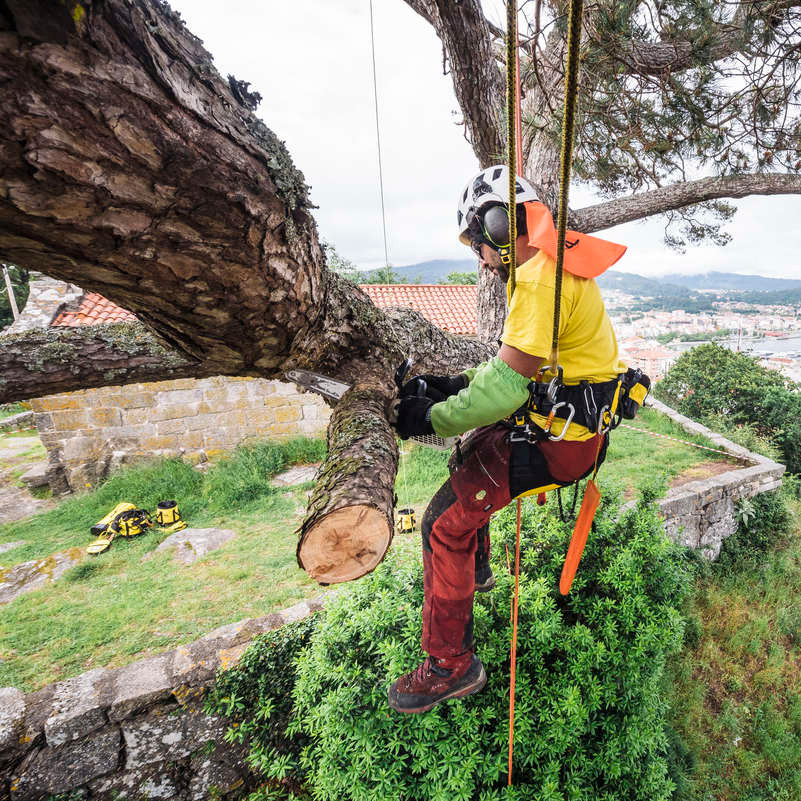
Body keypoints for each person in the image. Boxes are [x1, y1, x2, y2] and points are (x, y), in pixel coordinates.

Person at [387, 165, 629, 714]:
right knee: (474, 458)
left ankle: (450, 663)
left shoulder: (540, 277)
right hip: (565, 432)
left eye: (479, 242)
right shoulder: (550, 266)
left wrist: (428, 418)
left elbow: (503, 391)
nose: (480, 257)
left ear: (498, 225)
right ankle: (473, 571)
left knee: (442, 525)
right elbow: (509, 373)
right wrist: (447, 388)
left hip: (559, 445)